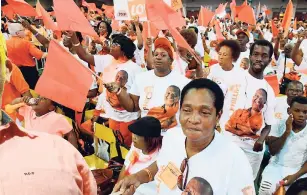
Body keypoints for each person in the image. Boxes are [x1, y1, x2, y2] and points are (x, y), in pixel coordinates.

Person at [112, 79, 255, 195]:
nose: (193, 119)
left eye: (204, 112)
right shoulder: (172, 137)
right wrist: (139, 177)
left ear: (217, 115)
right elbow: (162, 163)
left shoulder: (235, 160)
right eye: (187, 110)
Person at [0, 32, 97, 195]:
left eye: (43, 99)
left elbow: (71, 136)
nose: (38, 99)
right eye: (39, 96)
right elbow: (13, 105)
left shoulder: (58, 122)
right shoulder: (29, 113)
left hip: (53, 160)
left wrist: (71, 154)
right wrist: (27, 101)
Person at [105, 37, 190, 134]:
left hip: (170, 137)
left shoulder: (183, 82)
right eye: (156, 54)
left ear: (170, 60)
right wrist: (119, 91)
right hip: (146, 136)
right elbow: (133, 107)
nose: (158, 57)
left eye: (163, 55)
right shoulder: (142, 78)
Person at [222, 40, 276, 179]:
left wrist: (260, 140)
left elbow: (268, 125)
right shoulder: (232, 78)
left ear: (269, 60)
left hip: (251, 153)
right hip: (227, 145)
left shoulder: (269, 91)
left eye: (264, 56)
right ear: (250, 56)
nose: (259, 58)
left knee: (245, 187)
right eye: (256, 54)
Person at [259, 96, 307, 195]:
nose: (301, 115)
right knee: (267, 189)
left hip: (298, 171)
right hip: (275, 167)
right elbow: (273, 151)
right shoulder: (279, 124)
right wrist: (287, 132)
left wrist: (295, 176)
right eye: (297, 111)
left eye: (305, 112)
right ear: (289, 110)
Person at [118, 116, 163, 181]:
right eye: (133, 133)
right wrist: (117, 186)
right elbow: (126, 165)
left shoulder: (158, 157)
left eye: (138, 135)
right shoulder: (135, 146)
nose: (134, 137)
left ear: (150, 139)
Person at [6, 23, 47, 89]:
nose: (25, 31)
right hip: (30, 71)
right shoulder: (26, 43)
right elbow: (40, 55)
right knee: (34, 88)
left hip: (15, 71)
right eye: (23, 30)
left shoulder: (5, 44)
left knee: (22, 89)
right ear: (18, 33)